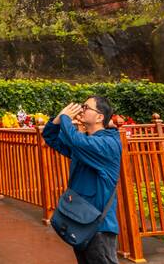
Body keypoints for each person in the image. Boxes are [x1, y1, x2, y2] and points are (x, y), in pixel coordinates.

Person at [42, 96, 122, 264]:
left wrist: (66, 118)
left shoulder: (108, 143)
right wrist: (58, 118)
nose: (81, 110)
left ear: (100, 117)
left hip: (99, 227)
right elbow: (50, 137)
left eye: (86, 107)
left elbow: (76, 141)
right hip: (80, 221)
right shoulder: (86, 142)